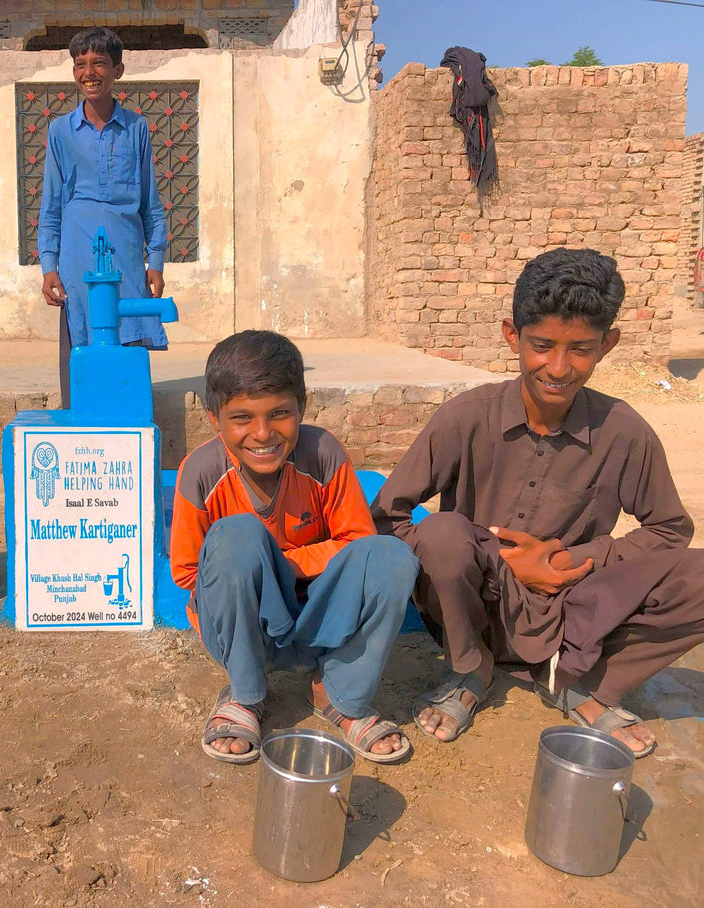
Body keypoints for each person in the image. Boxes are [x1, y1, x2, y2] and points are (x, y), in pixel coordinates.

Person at [371, 248, 704, 758]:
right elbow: (385, 516)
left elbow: (669, 530)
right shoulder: (466, 417)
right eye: (542, 345)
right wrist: (494, 556)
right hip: (476, 603)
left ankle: (584, 684)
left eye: (580, 350)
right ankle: (470, 670)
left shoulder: (625, 432)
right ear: (513, 336)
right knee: (440, 534)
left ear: (607, 344)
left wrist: (570, 559)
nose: (558, 367)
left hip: (578, 607)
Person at [171, 330, 419, 765]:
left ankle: (339, 693)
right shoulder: (201, 471)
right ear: (214, 418)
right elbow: (189, 574)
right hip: (245, 631)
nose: (262, 434)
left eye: (280, 413)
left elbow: (359, 542)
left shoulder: (322, 453)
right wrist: (258, 566)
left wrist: (280, 566)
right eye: (242, 417)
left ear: (302, 407)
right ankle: (245, 695)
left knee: (392, 557)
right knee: (238, 537)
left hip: (320, 622)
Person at [37, 26, 168, 408]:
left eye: (99, 64)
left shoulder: (136, 128)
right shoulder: (60, 131)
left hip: (126, 256)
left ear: (118, 71)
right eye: (80, 65)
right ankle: (85, 432)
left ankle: (127, 429)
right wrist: (49, 265)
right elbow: (51, 207)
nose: (89, 73)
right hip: (77, 258)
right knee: (82, 342)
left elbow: (151, 204)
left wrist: (155, 261)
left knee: (127, 337)